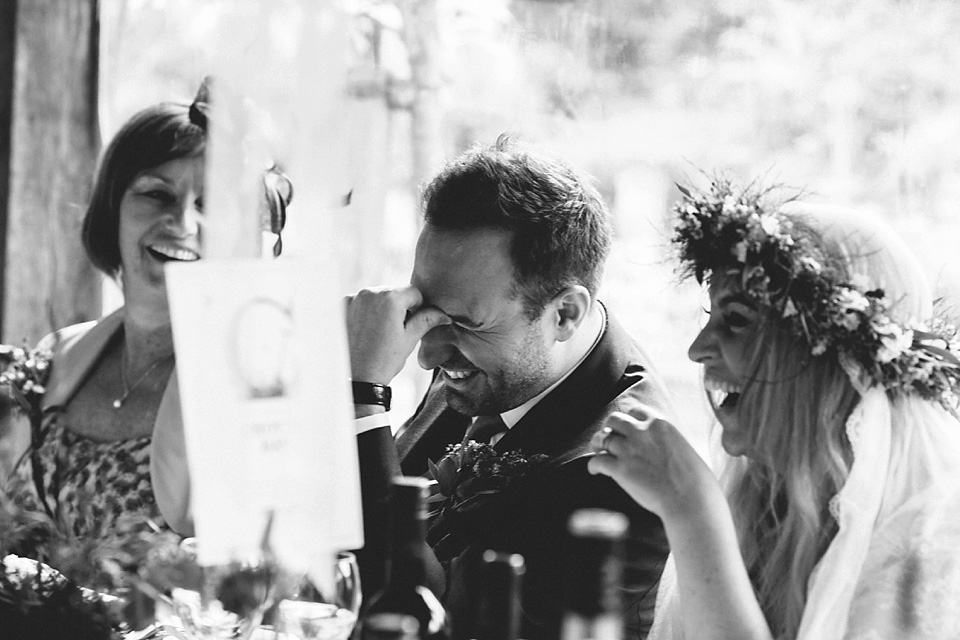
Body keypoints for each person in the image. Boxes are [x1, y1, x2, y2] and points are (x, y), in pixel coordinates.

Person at [588, 177, 960, 640]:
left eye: (737, 320)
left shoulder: (934, 547)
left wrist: (692, 513)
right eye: (710, 318)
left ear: (833, 361)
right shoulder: (760, 506)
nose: (698, 349)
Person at [347, 135, 676, 640]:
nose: (427, 354)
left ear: (564, 313)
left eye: (460, 322)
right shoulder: (492, 351)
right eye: (423, 312)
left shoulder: (618, 475)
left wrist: (362, 400)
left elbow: (440, 630)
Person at [0, 81, 293, 548]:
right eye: (156, 195)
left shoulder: (256, 392)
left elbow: (252, 588)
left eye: (209, 206)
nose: (180, 223)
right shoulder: (54, 355)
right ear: (112, 209)